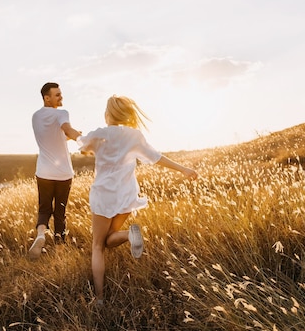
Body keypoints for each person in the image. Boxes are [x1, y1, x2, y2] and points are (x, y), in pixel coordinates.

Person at [77, 95, 198, 303]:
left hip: (103, 195)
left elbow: (83, 148)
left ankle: (99, 298)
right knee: (109, 238)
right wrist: (183, 169)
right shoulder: (134, 136)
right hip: (125, 196)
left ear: (107, 114)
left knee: (98, 246)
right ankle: (129, 235)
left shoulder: (99, 134)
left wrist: (91, 148)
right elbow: (156, 157)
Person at [29, 82, 81, 260]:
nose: (61, 97)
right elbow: (66, 129)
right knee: (60, 212)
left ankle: (41, 235)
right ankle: (59, 250)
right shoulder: (61, 113)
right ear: (47, 97)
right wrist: (83, 139)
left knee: (44, 209)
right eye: (57, 95)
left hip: (43, 172)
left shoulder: (35, 116)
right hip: (63, 174)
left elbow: (53, 137)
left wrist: (70, 136)